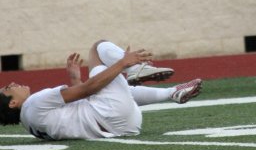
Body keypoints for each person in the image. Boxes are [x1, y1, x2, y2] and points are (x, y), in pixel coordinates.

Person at [0, 40, 202, 140]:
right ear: (12, 103)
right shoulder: (34, 102)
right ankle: (136, 69)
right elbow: (88, 89)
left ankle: (172, 92)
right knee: (98, 48)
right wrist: (123, 63)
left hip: (125, 127)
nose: (12, 84)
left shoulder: (30, 125)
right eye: (8, 89)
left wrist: (74, 79)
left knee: (111, 89)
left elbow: (78, 108)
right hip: (110, 113)